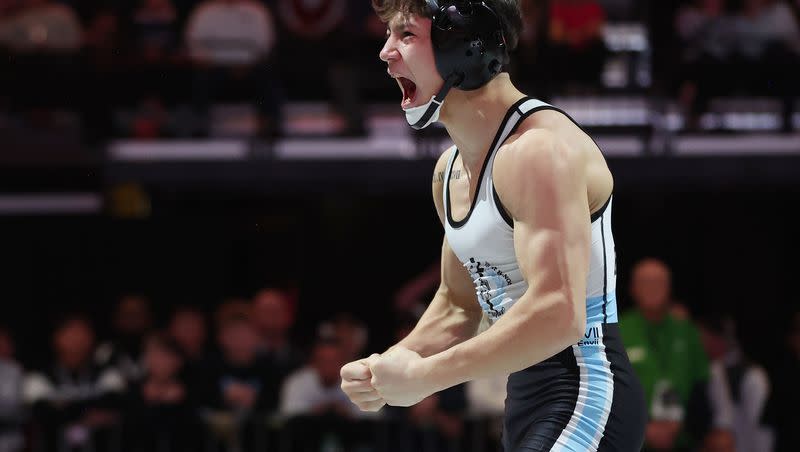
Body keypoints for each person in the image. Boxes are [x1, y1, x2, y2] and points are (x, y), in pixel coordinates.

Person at [340, 1, 646, 450]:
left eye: (405, 35)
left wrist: (424, 376)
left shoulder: (538, 151)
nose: (386, 52)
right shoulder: (450, 171)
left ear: (462, 44)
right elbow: (459, 306)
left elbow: (559, 315)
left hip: (586, 390)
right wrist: (388, 368)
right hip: (525, 395)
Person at [619, 258, 709, 451]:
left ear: (670, 288)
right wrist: (644, 428)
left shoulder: (686, 330)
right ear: (633, 289)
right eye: (645, 283)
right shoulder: (616, 332)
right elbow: (608, 392)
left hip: (683, 439)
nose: (653, 288)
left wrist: (683, 426)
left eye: (659, 282)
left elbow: (701, 389)